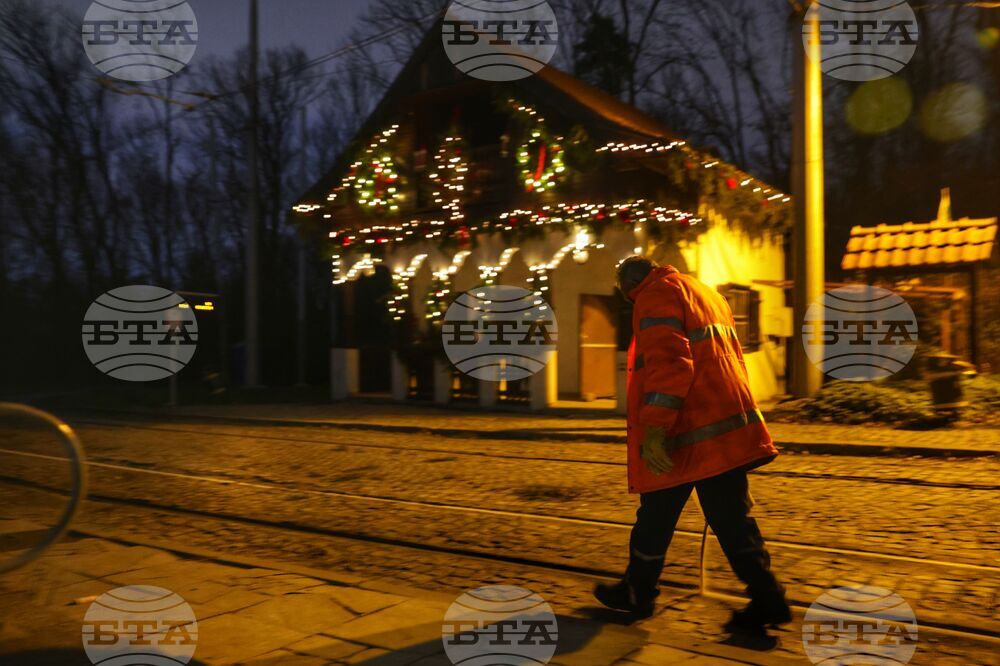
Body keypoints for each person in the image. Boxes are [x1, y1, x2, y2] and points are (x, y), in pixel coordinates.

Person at [594, 256, 790, 633]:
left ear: (628, 286)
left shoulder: (653, 298)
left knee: (660, 516)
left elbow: (671, 365)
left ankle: (641, 592)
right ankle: (767, 597)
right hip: (724, 424)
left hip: (687, 433)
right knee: (725, 519)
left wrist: (654, 431)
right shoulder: (704, 292)